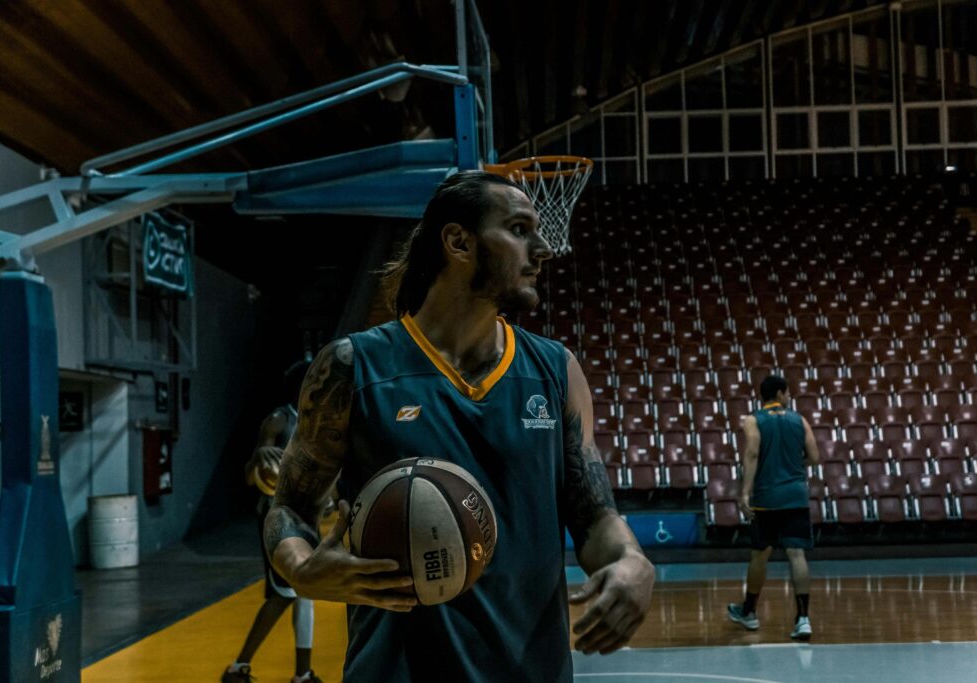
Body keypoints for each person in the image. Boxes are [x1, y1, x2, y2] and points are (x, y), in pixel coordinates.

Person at [263, 170, 655, 682]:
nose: (543, 249)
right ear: (458, 242)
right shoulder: (353, 366)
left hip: (530, 671)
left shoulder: (556, 371)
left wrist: (631, 560)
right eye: (519, 229)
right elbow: (290, 505)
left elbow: (595, 516)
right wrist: (299, 567)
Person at [222, 360, 324, 683]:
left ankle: (303, 674)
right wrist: (258, 459)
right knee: (283, 594)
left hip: (306, 511)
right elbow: (250, 476)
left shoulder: (318, 421)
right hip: (276, 514)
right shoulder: (279, 420)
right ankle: (238, 668)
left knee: (306, 590)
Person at [727, 375, 820, 641]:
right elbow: (814, 457)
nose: (790, 397)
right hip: (795, 495)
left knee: (760, 554)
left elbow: (752, 454)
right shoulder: (799, 420)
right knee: (797, 555)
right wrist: (792, 462)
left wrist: (744, 492)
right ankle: (803, 619)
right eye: (788, 392)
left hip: (767, 496)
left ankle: (749, 612)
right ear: (779, 393)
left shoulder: (753, 420)